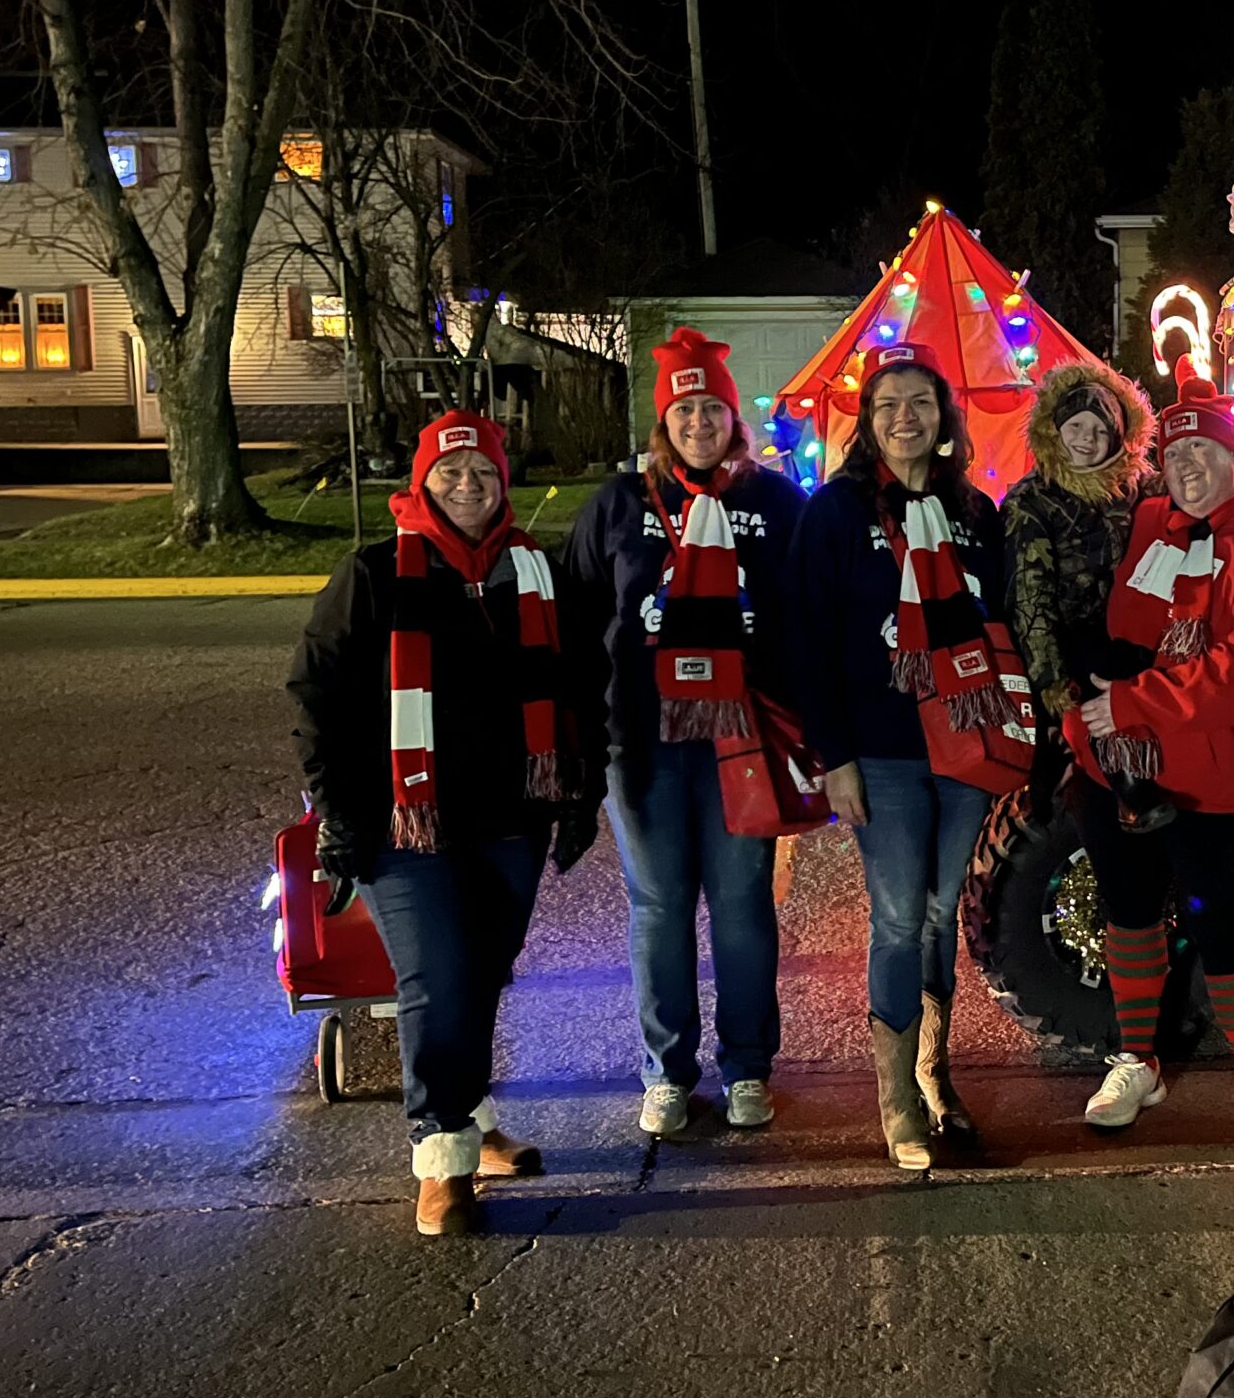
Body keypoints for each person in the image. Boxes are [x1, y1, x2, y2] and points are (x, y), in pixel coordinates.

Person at [286, 412, 589, 1236]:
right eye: (449, 473)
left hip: (510, 819)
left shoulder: (534, 574)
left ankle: (476, 1117)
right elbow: (316, 696)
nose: (466, 486)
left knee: (484, 975)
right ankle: (442, 1155)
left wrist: (577, 795)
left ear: (502, 483)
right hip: (402, 826)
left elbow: (574, 689)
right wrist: (340, 816)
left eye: (481, 473)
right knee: (439, 979)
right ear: (422, 483)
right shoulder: (376, 573)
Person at [1065, 375, 1234, 1162]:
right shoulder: (1147, 525)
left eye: (1205, 451)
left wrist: (1134, 702)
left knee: (1228, 937)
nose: (1189, 468)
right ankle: (1136, 1061)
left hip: (1215, 783)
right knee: (1130, 916)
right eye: (1177, 454)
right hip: (1115, 769)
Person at [560, 328, 804, 1139]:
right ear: (663, 421)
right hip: (645, 740)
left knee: (740, 906)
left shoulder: (773, 502)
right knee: (659, 907)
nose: (699, 421)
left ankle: (747, 1069)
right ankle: (666, 1072)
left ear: (735, 419)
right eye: (684, 408)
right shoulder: (619, 506)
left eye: (713, 408)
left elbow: (807, 621)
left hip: (741, 741)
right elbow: (577, 620)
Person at [789, 344, 1008, 1171]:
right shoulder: (835, 514)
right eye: (888, 406)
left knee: (942, 910)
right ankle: (896, 1100)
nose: (905, 418)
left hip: (965, 744)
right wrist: (832, 757)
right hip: (879, 750)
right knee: (897, 917)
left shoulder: (973, 513)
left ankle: (934, 1071)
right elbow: (805, 641)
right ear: (867, 422)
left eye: (919, 403)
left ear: (944, 419)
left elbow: (997, 625)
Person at [1004, 357, 1160, 824]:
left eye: (1098, 430)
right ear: (1057, 430)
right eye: (1076, 427)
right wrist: (1048, 676)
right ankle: (1127, 788)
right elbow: (1030, 592)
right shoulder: (1033, 499)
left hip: (1126, 624)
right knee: (1087, 703)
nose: (1086, 441)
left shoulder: (1134, 488)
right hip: (1068, 631)